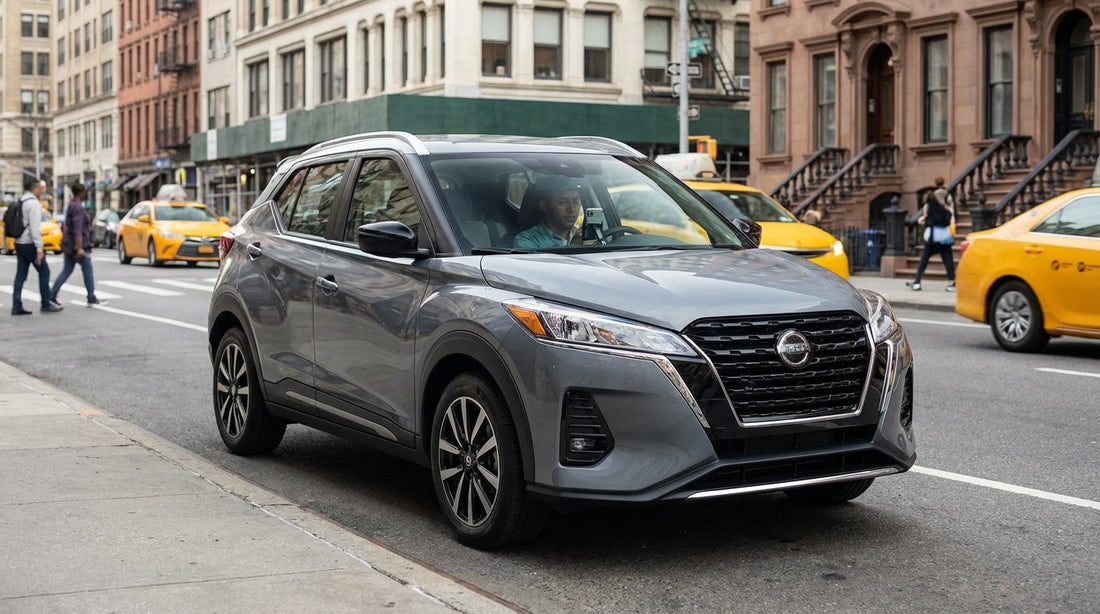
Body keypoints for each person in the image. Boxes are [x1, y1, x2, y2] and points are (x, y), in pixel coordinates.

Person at [10, 179, 62, 315]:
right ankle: (45, 303)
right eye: (40, 189)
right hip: (29, 243)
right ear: (36, 189)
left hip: (19, 242)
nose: (42, 191)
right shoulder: (33, 204)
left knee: (20, 275)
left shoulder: (22, 201)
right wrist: (39, 248)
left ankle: (16, 305)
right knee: (44, 271)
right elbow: (35, 228)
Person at [49, 183, 102, 307]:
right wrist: (79, 248)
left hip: (69, 244)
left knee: (67, 270)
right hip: (77, 245)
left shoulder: (71, 206)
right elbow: (77, 229)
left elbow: (67, 226)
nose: (86, 195)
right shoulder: (77, 208)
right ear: (81, 193)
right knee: (87, 270)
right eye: (85, 192)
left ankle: (52, 294)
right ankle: (91, 297)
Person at [906, 176, 956, 292]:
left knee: (924, 259)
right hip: (944, 237)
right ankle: (952, 282)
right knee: (947, 258)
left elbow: (927, 219)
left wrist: (923, 220)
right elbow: (949, 216)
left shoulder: (930, 206)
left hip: (932, 237)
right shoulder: (946, 199)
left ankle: (917, 281)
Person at [513, 176, 585, 248]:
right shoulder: (527, 240)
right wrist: (572, 247)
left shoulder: (583, 234)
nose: (571, 209)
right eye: (563, 202)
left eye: (576, 202)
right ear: (544, 206)